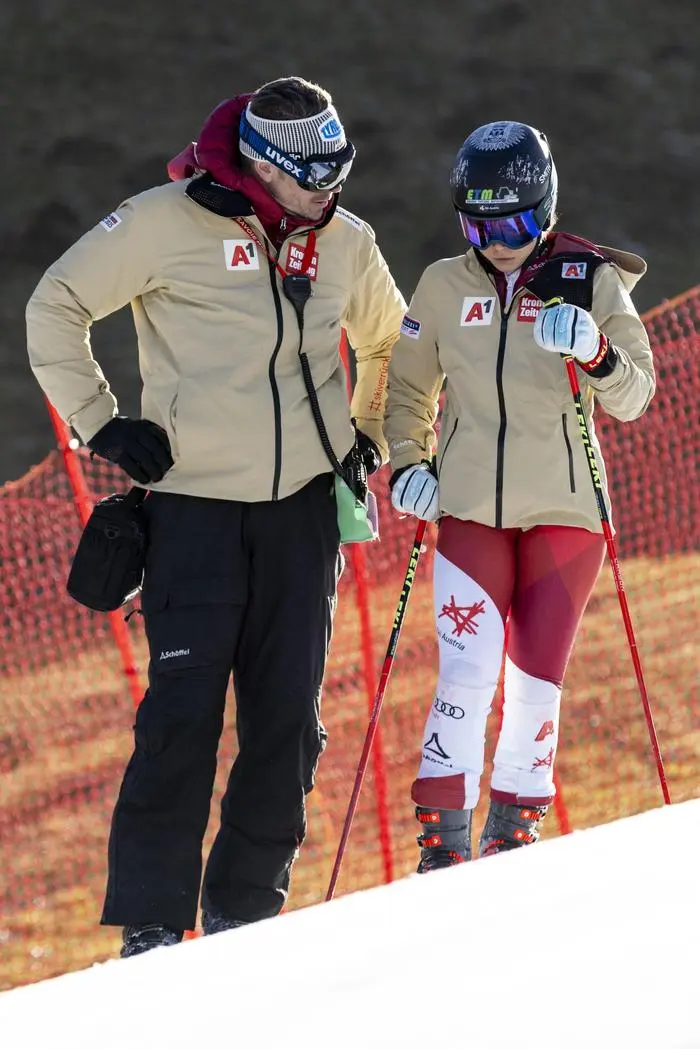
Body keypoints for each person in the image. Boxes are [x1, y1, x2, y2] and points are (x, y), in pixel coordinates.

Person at [26, 76, 406, 954]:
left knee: (287, 723)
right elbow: (54, 304)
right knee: (180, 718)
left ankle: (247, 916)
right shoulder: (160, 221)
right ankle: (154, 926)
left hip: (302, 519)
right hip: (192, 516)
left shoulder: (345, 240)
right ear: (261, 166)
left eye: (337, 174)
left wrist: (370, 431)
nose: (328, 193)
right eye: (312, 178)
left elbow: (393, 337)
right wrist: (102, 422)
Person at [383, 120, 654, 870]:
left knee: (536, 676)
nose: (499, 239)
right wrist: (411, 459)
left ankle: (513, 831)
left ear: (548, 208)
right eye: (480, 223)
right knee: (467, 667)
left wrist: (594, 350)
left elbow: (636, 395)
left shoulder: (591, 279)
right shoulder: (443, 284)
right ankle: (442, 838)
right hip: (470, 508)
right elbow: (407, 387)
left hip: (567, 515)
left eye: (517, 222)